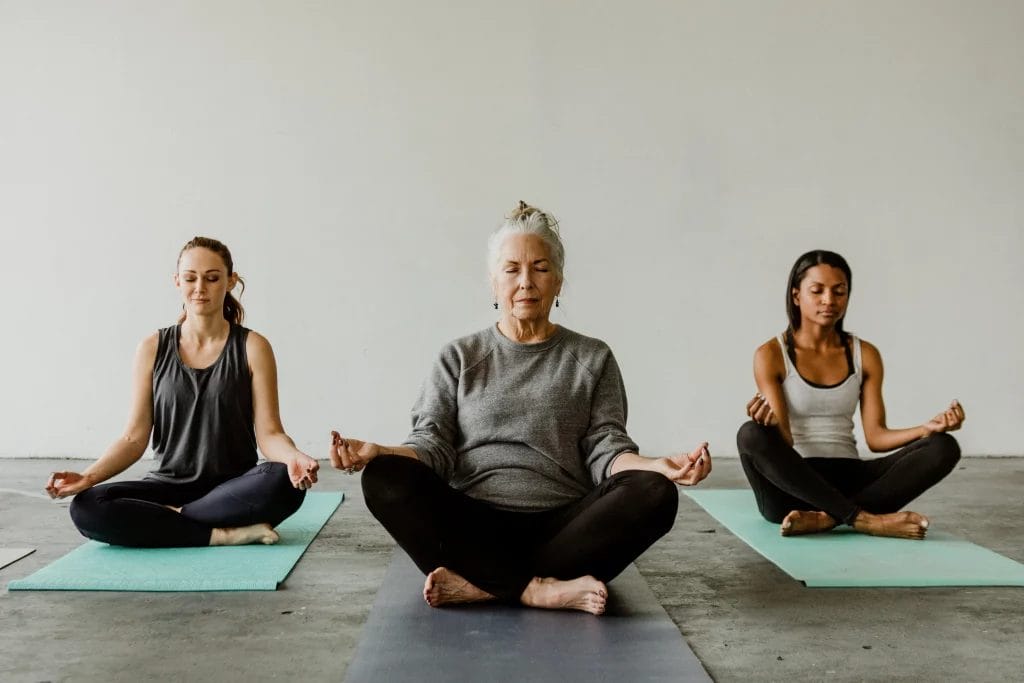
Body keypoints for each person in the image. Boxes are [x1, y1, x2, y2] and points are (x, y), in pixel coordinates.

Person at [330, 201, 712, 615]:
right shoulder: (459, 356)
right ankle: (536, 588)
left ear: (559, 282)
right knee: (384, 478)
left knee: (655, 493)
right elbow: (432, 446)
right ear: (494, 283)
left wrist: (659, 466)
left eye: (540, 268)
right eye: (512, 270)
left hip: (566, 526)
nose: (526, 282)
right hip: (473, 527)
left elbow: (606, 449)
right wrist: (378, 452)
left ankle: (486, 586)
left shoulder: (593, 357)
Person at [45, 236, 319, 547]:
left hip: (233, 490)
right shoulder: (152, 347)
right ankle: (220, 534)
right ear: (177, 281)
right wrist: (88, 477)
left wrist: (293, 457)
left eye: (212, 278)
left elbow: (270, 433)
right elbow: (134, 438)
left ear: (230, 282)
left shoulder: (253, 347)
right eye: (190, 278)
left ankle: (168, 519)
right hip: (166, 485)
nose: (200, 287)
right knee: (86, 507)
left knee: (283, 480)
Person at [737, 249, 963, 540]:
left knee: (944, 447)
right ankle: (865, 520)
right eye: (817, 291)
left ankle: (829, 518)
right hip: (792, 487)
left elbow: (876, 437)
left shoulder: (864, 354)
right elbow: (787, 440)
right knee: (750, 434)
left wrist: (926, 429)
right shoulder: (770, 354)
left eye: (839, 291)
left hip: (851, 481)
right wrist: (767, 425)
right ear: (796, 296)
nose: (829, 300)